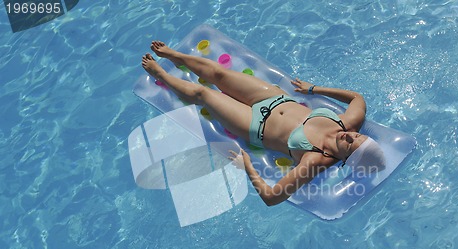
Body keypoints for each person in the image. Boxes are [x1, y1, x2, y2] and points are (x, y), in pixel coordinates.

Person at [141, 40, 385, 206]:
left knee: (203, 94)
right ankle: (174, 56)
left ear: (346, 160)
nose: (350, 136)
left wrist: (248, 165)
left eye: (351, 144)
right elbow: (357, 97)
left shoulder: (315, 161)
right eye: (358, 136)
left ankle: (160, 74)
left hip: (254, 125)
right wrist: (312, 89)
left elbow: (271, 198)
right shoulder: (347, 123)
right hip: (274, 97)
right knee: (219, 75)